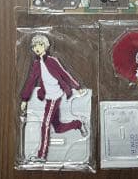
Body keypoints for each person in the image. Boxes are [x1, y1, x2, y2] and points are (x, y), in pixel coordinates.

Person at [18, 34, 87, 162]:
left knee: (45, 124)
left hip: (55, 95)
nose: (37, 48)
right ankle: (78, 124)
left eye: (40, 45)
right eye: (34, 46)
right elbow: (31, 81)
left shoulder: (52, 61)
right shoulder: (36, 64)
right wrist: (24, 99)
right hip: (48, 96)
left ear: (45, 46)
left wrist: (77, 87)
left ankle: (41, 156)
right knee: (58, 128)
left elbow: (64, 74)